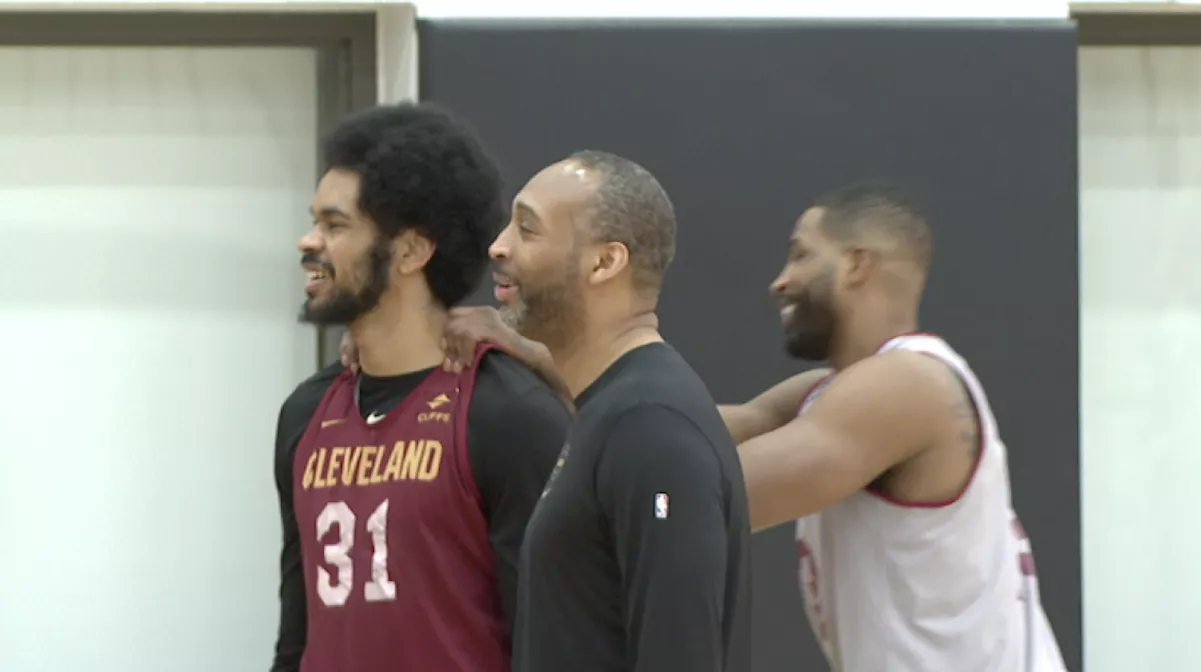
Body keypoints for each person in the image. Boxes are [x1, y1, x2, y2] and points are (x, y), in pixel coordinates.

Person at [431, 181, 1068, 672]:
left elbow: (683, 485)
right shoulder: (830, 392)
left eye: (800, 256)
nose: (778, 281)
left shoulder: (907, 388)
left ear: (857, 264)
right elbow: (680, 428)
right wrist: (544, 351)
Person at [349, 150, 753, 672]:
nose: (499, 245)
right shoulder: (609, 410)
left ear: (605, 262)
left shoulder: (651, 426)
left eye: (528, 229)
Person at [270, 102, 571, 672]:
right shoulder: (306, 413)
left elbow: (548, 642)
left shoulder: (508, 415)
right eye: (315, 222)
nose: (309, 242)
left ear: (412, 249)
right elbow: (297, 634)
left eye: (335, 226)